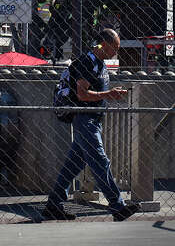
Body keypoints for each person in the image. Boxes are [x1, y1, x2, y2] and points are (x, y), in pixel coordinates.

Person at [42, 28, 140, 222]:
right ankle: (117, 207)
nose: (116, 52)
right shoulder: (87, 62)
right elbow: (82, 94)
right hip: (85, 119)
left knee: (72, 165)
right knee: (100, 161)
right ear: (104, 44)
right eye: (115, 47)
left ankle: (53, 205)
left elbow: (92, 92)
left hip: (92, 120)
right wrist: (108, 95)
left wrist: (108, 94)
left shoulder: (100, 64)